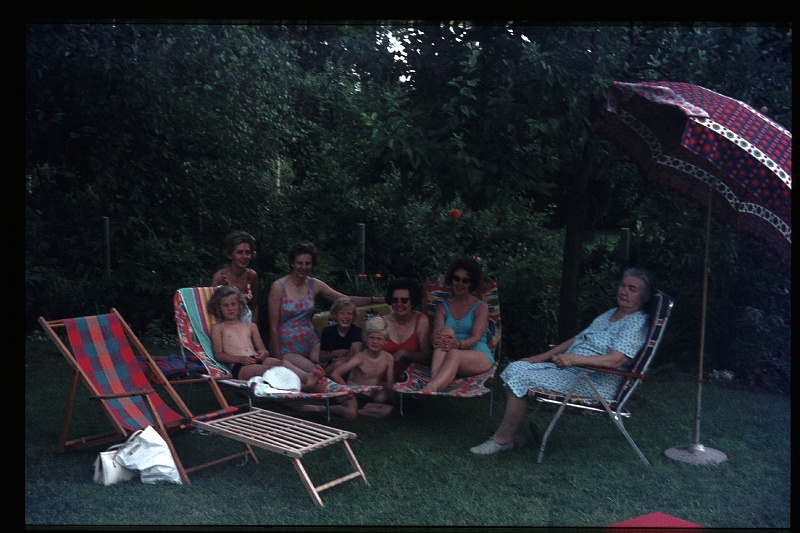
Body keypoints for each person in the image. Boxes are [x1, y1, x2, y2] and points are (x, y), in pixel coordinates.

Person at [469, 267, 653, 455]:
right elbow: (577, 340)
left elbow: (615, 360)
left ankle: (501, 440)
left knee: (521, 377)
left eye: (632, 288)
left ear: (643, 297)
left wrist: (574, 359)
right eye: (623, 285)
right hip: (576, 371)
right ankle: (512, 433)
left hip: (596, 381)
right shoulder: (611, 314)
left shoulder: (636, 323)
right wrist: (537, 358)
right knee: (517, 367)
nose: (624, 291)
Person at [268, 241, 385, 375]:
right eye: (300, 263)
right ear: (292, 263)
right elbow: (273, 326)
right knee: (313, 371)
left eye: (308, 263)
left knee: (340, 361)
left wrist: (376, 299)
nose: (303, 267)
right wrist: (277, 360)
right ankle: (327, 384)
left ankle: (338, 384)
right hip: (287, 346)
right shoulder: (278, 287)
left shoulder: (314, 284)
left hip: (310, 341)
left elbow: (345, 299)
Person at [207, 285, 326, 391]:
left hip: (257, 358)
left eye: (233, 304)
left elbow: (264, 350)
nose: (230, 308)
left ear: (240, 305)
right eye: (225, 305)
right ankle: (303, 387)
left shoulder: (250, 326)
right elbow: (219, 354)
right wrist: (240, 359)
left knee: (283, 363)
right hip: (240, 365)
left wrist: (263, 354)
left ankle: (307, 377)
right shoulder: (218, 327)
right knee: (271, 371)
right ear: (219, 309)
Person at [302, 316, 394, 420]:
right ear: (366, 338)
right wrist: (347, 391)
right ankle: (320, 408)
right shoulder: (361, 357)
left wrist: (393, 398)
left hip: (369, 396)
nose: (374, 342)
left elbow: (390, 384)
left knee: (388, 410)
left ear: (385, 340)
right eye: (371, 338)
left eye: (379, 339)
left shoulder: (388, 358)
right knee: (351, 414)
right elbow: (335, 373)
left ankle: (357, 411)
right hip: (353, 392)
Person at [424, 257, 494, 392]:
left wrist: (458, 344)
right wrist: (436, 339)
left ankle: (432, 386)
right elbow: (436, 334)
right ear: (451, 279)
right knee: (443, 336)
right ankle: (435, 385)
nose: (459, 283)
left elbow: (475, 337)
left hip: (477, 354)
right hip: (448, 354)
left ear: (471, 283)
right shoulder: (442, 307)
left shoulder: (480, 307)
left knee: (454, 353)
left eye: (465, 280)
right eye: (456, 278)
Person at [382, 277, 431, 381]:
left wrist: (405, 353)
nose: (399, 304)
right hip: (383, 377)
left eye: (404, 300)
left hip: (410, 379)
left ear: (412, 301)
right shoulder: (382, 322)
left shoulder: (421, 320)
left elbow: (427, 357)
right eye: (395, 300)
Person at [211, 231, 260, 324]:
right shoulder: (219, 277)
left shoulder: (252, 276)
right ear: (230, 254)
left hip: (245, 326)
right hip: (224, 327)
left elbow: (253, 307)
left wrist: (253, 331)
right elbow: (213, 309)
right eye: (239, 252)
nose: (244, 257)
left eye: (248, 252)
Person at [319, 297, 363, 377]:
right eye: (342, 313)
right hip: (331, 367)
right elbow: (322, 358)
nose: (346, 317)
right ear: (335, 315)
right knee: (337, 364)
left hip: (350, 366)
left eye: (349, 313)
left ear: (354, 316)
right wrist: (332, 354)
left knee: (341, 364)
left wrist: (344, 359)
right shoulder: (327, 332)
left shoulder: (356, 331)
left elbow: (357, 355)